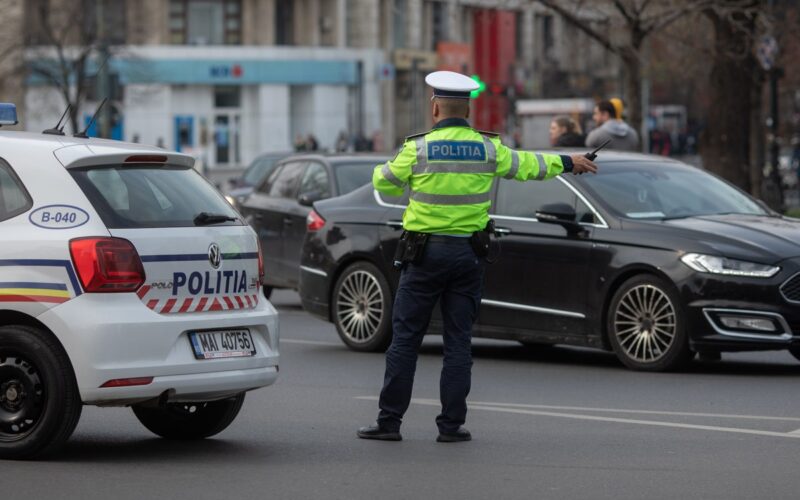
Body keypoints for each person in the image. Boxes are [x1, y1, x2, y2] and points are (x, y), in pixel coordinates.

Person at [357, 71, 598, 443]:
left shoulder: (418, 149)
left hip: (423, 255)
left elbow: (383, 182)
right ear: (467, 110)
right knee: (458, 342)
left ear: (435, 108)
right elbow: (529, 165)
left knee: (405, 339)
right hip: (467, 255)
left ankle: (390, 423)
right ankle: (451, 426)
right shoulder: (488, 148)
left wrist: (392, 170)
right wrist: (569, 161)